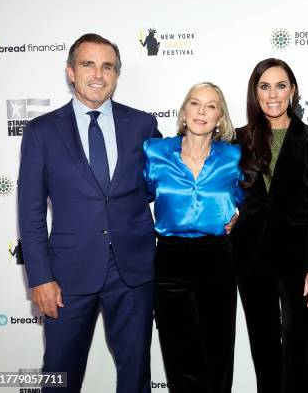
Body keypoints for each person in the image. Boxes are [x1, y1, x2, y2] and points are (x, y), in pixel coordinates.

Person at [18, 33, 161, 393]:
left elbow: (164, 185)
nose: (98, 74)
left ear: (116, 74)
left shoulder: (142, 125)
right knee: (59, 376)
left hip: (133, 272)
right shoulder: (41, 131)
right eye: (88, 64)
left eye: (107, 66)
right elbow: (31, 211)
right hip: (66, 276)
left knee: (135, 375)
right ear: (70, 72)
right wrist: (39, 278)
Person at [231, 58, 308, 393]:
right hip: (251, 259)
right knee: (264, 348)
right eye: (264, 86)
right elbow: (224, 193)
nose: (272, 94)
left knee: (299, 350)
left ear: (293, 91)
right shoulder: (238, 141)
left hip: (300, 263)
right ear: (254, 92)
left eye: (280, 85)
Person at [143, 82, 242, 393]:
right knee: (179, 352)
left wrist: (240, 216)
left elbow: (251, 200)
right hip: (170, 260)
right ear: (183, 112)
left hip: (217, 259)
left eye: (211, 106)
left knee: (218, 350)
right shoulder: (154, 152)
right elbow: (134, 199)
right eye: (195, 103)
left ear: (220, 118)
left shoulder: (234, 157)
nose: (202, 111)